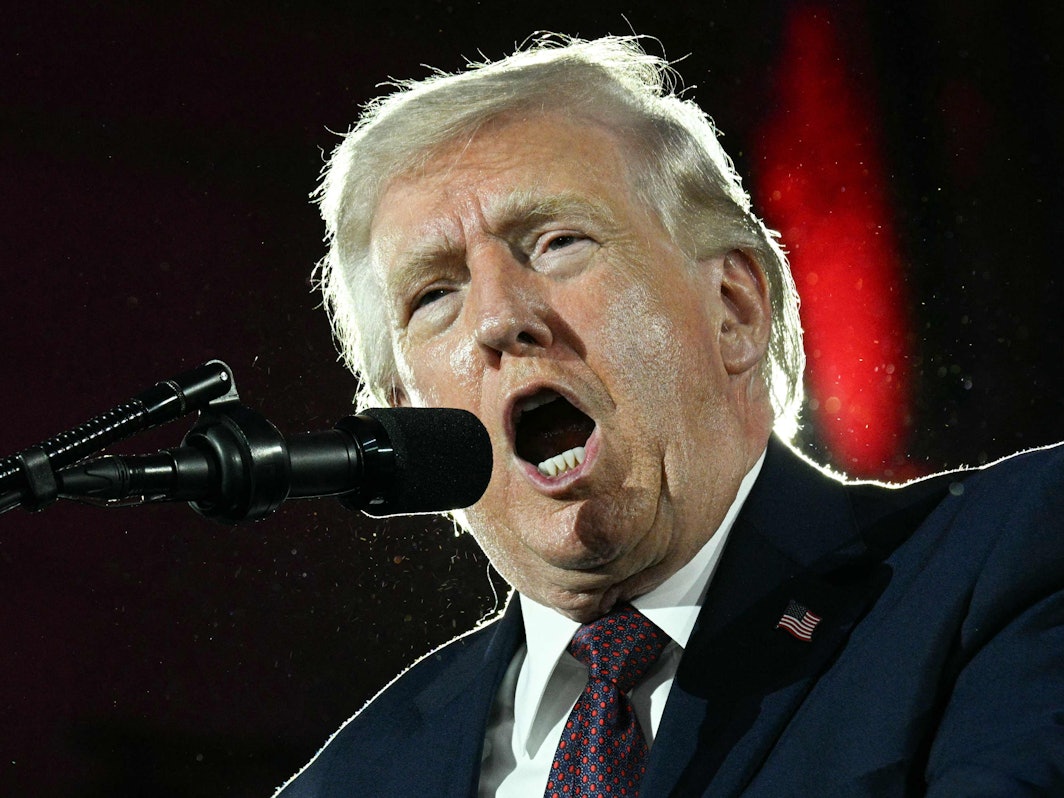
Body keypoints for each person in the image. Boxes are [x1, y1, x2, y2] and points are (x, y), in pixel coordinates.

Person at [275, 35, 1064, 796]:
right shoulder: (350, 783)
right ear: (409, 422)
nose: (498, 318)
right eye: (434, 295)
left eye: (556, 242)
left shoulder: (1009, 558)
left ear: (734, 308)